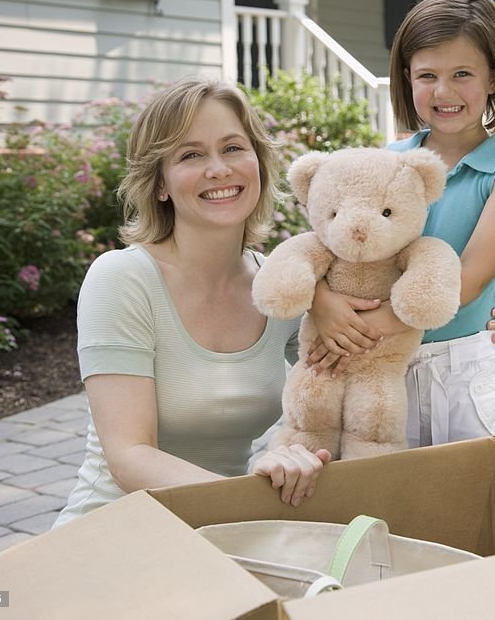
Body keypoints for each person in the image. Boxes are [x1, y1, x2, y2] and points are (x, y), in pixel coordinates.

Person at [55, 79, 332, 526]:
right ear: (159, 183)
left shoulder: (281, 285)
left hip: (224, 532)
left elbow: (342, 391)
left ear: (258, 163)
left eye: (233, 148)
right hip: (114, 528)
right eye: (191, 155)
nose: (219, 169)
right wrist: (247, 496)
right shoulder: (122, 279)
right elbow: (129, 456)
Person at [303, 0, 495, 447]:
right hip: (381, 366)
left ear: (494, 79)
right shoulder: (386, 161)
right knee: (390, 494)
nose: (443, 92)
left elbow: (465, 282)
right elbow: (331, 247)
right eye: (427, 75)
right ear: (406, 78)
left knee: (474, 495)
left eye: (462, 74)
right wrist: (321, 303)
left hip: (463, 368)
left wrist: (355, 328)